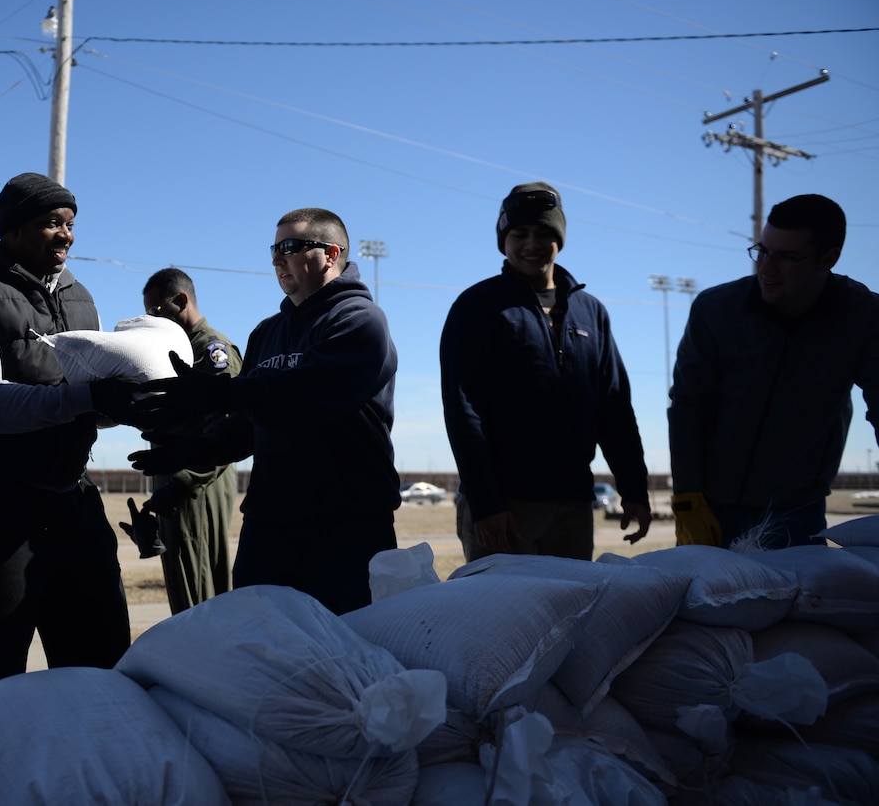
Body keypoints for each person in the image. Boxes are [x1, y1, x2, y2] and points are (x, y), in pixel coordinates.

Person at [129, 208, 400, 615]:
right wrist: (195, 450)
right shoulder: (267, 332)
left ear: (330, 254)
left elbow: (302, 395)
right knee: (263, 651)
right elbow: (248, 422)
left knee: (346, 655)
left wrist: (215, 394)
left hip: (346, 526)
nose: (277, 259)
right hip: (269, 526)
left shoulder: (360, 321)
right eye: (274, 249)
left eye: (290, 247)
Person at [0, 171, 138, 688]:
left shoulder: (81, 297)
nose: (65, 235)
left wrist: (135, 403)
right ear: (12, 230)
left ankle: (88, 767)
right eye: (50, 224)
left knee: (100, 667)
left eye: (70, 223)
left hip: (73, 504)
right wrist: (88, 398)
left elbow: (91, 399)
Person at [440, 181, 651, 563]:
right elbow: (463, 411)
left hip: (573, 504)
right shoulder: (477, 306)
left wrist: (634, 488)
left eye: (544, 233)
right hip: (505, 505)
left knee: (571, 613)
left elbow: (614, 408)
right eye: (519, 234)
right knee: (503, 616)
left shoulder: (591, 312)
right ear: (503, 240)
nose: (531, 244)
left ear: (560, 239)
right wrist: (486, 504)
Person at [669, 193, 879, 549]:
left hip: (798, 511)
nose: (766, 268)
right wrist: (687, 496)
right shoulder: (715, 311)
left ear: (829, 258)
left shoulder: (862, 318)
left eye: (787, 257)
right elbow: (688, 406)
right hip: (712, 505)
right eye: (762, 251)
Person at [134, 268, 243, 613]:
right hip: (177, 481)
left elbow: (229, 424)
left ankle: (209, 663)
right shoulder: (175, 348)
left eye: (156, 310)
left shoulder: (209, 349)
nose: (153, 319)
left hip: (197, 483)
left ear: (181, 301)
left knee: (198, 589)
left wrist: (182, 481)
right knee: (185, 579)